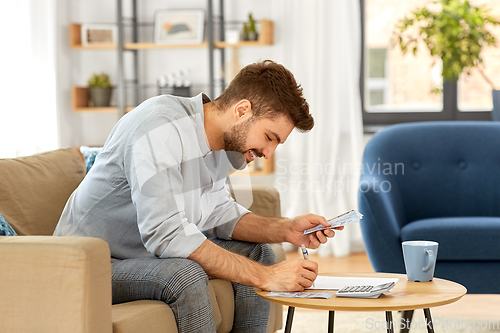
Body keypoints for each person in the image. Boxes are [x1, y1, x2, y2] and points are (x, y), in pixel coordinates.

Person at [54, 60, 341, 333]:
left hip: (140, 255)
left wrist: (286, 229)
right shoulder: (159, 128)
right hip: (89, 262)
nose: (268, 153)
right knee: (185, 275)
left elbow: (217, 214)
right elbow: (165, 234)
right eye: (269, 137)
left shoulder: (222, 146)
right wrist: (265, 277)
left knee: (260, 252)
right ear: (242, 111)